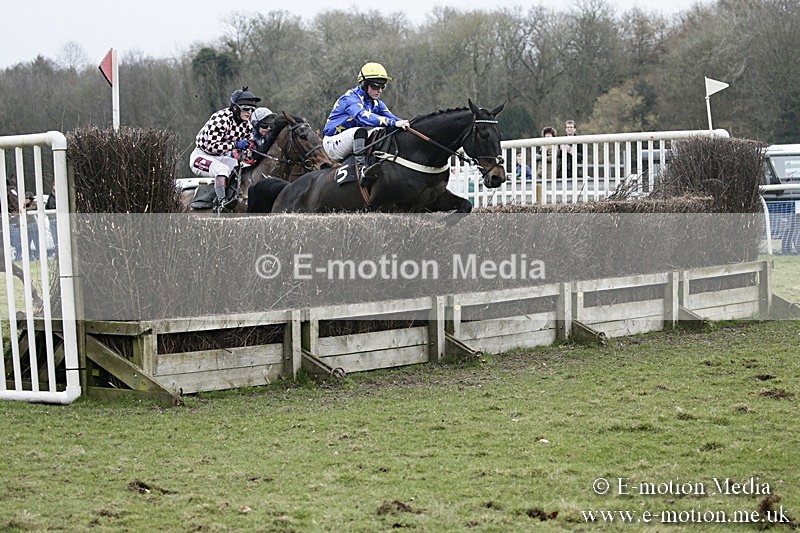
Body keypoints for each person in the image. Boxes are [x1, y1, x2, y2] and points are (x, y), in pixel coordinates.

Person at [322, 62, 410, 184]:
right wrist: (392, 122)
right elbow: (363, 117)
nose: (379, 91)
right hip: (332, 143)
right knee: (361, 131)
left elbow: (393, 118)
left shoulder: (376, 103)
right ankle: (361, 169)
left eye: (382, 86)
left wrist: (408, 125)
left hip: (350, 140)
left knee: (382, 131)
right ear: (364, 84)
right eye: (375, 86)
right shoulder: (350, 98)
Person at [190, 87, 261, 212]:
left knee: (243, 167)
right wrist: (235, 145)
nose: (249, 112)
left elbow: (247, 151)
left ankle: (239, 196)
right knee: (222, 169)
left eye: (252, 109)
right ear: (235, 107)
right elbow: (212, 146)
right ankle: (221, 203)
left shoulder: (247, 126)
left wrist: (250, 152)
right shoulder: (220, 119)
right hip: (201, 155)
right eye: (245, 109)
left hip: (221, 157)